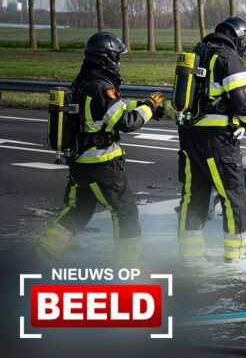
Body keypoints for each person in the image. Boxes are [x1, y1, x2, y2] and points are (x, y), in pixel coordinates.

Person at [36, 32, 165, 263]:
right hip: (101, 166)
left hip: (80, 162)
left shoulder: (83, 81)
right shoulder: (101, 87)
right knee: (125, 212)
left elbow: (110, 108)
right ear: (108, 58)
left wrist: (142, 105)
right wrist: (149, 107)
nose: (119, 61)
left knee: (79, 210)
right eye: (117, 57)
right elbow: (125, 122)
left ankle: (42, 252)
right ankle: (127, 268)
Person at [177, 16, 246, 263]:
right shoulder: (229, 58)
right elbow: (242, 102)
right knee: (233, 197)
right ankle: (236, 256)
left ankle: (190, 256)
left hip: (189, 137)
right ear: (239, 37)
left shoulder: (196, 53)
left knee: (193, 196)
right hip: (219, 141)